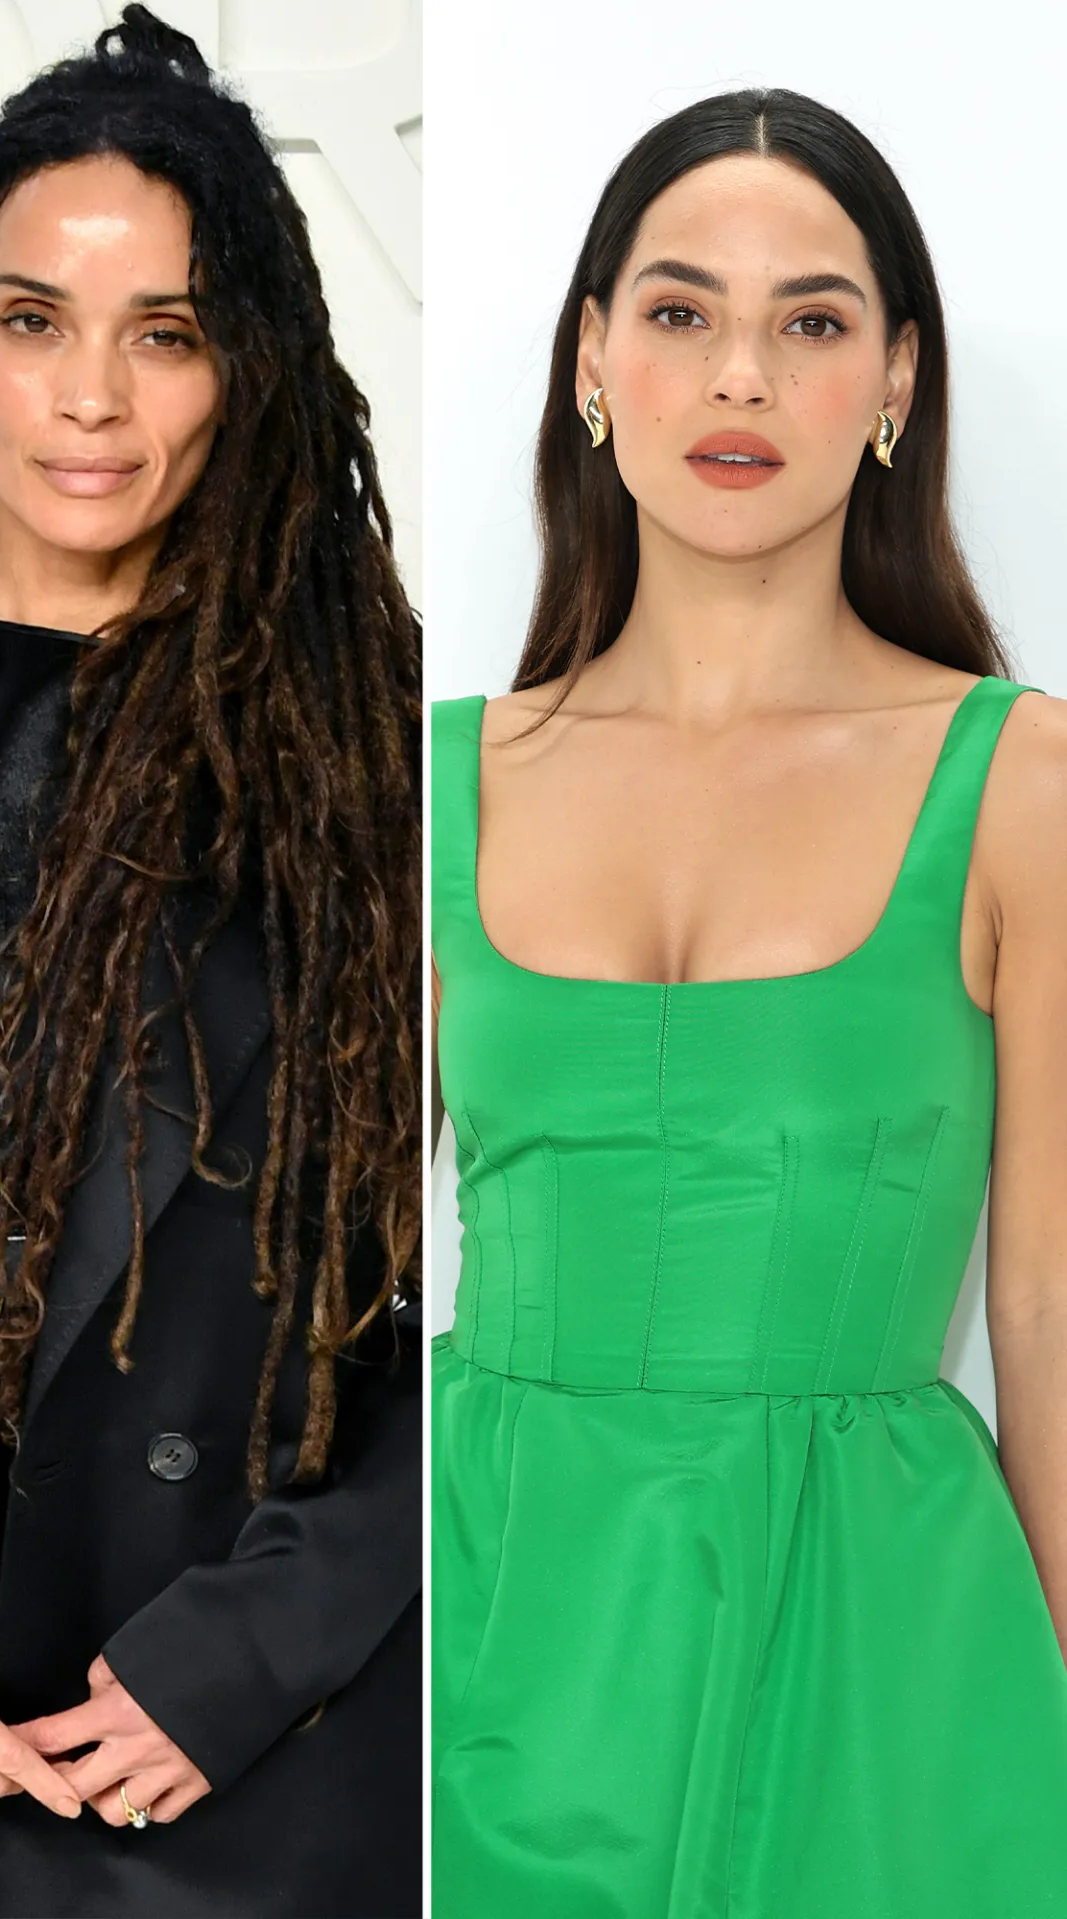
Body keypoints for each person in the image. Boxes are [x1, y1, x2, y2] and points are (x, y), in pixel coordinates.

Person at [0, 10, 421, 1917]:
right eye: (34, 319)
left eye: (165, 333)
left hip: (247, 1746)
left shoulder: (378, 750)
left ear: (246, 362)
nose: (89, 399)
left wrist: (267, 1635)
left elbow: (515, 1268)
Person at [432, 89, 1067, 1915]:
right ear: (591, 358)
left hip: (876, 1646)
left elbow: (1043, 1304)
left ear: (893, 381)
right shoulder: (428, 779)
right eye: (680, 309)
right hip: (484, 1629)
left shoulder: (1020, 784)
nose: (738, 376)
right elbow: (315, 1288)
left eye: (810, 320)